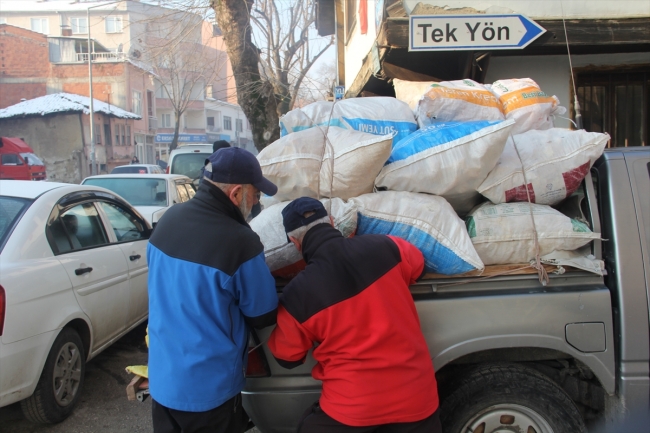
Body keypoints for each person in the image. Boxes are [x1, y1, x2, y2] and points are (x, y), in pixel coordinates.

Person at [268, 197, 442, 433]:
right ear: (331, 222)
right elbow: (418, 266)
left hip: (351, 411)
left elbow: (286, 357)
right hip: (418, 403)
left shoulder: (297, 295)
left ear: (294, 243)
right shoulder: (388, 247)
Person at [147, 147, 280, 433]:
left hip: (163, 381)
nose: (256, 202)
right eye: (255, 195)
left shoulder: (167, 222)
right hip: (209, 392)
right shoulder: (240, 242)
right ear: (235, 194)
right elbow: (264, 314)